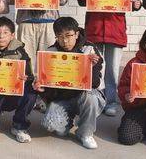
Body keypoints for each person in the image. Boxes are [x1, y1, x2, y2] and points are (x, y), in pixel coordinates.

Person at [76, 0, 140, 117]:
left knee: (112, 69)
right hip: (95, 26)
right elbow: (82, 0)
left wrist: (136, 3)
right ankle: (96, 100)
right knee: (96, 67)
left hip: (115, 27)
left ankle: (111, 102)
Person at [36, 17, 104, 149]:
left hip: (84, 95)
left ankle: (85, 133)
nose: (65, 41)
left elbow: (96, 83)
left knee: (90, 98)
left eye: (68, 35)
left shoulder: (89, 50)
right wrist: (41, 89)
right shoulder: (50, 52)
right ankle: (69, 120)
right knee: (53, 126)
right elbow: (47, 87)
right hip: (63, 97)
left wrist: (91, 67)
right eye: (60, 36)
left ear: (77, 34)